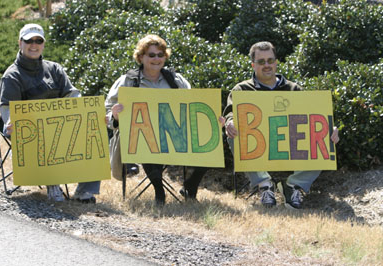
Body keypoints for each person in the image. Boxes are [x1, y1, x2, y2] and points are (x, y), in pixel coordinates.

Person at [223, 41, 340, 210]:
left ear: (276, 62)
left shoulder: (293, 89)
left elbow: (311, 117)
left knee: (326, 139)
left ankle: (293, 186)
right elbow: (230, 112)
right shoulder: (241, 89)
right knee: (235, 134)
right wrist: (230, 122)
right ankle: (265, 185)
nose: (267, 65)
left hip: (290, 145)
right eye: (261, 62)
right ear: (253, 65)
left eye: (270, 60)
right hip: (259, 145)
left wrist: (329, 128)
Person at [105, 34, 216, 205]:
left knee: (211, 139)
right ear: (141, 57)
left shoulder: (176, 81)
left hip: (174, 136)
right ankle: (159, 191)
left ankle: (190, 186)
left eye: (160, 55)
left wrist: (211, 122)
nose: (156, 59)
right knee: (147, 137)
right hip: (140, 137)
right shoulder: (128, 80)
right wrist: (115, 115)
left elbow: (192, 106)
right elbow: (107, 111)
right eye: (151, 55)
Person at [0, 23, 101, 203]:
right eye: (29, 40)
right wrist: (10, 123)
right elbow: (7, 108)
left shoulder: (54, 69)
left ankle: (84, 192)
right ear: (20, 43)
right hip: (28, 132)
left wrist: (83, 112)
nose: (34, 45)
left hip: (61, 126)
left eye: (38, 41)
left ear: (43, 44)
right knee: (47, 133)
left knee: (94, 132)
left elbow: (72, 94)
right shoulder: (12, 76)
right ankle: (53, 183)